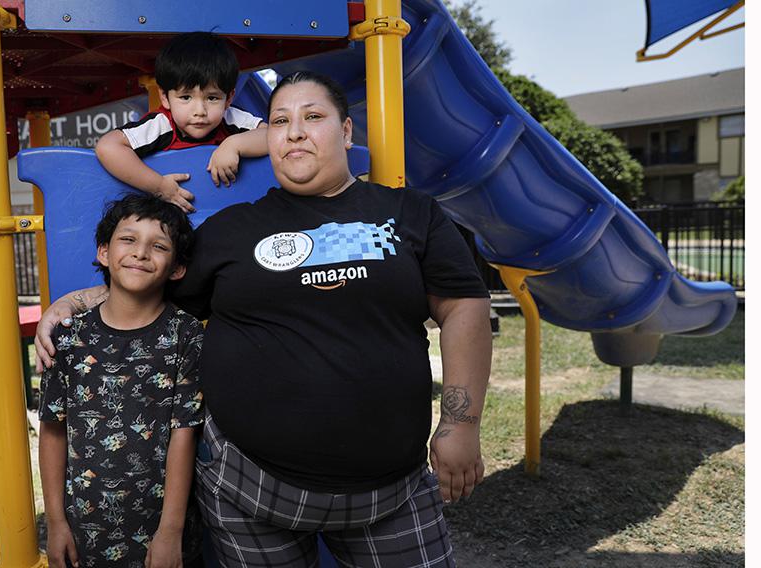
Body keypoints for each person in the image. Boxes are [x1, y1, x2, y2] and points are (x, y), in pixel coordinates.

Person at [36, 71, 493, 567]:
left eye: (312, 117)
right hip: (249, 490)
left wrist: (461, 424)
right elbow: (152, 289)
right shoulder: (232, 231)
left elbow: (463, 306)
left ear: (345, 132)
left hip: (392, 489)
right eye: (280, 121)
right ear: (266, 137)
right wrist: (76, 301)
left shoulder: (411, 213)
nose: (294, 132)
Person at [38, 193, 205, 568]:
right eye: (128, 239)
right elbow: (52, 431)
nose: (141, 253)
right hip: (83, 532)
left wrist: (171, 531)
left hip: (161, 534)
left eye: (158, 245)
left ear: (176, 268)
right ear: (103, 252)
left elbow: (185, 433)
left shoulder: (186, 335)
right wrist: (55, 521)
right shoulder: (67, 337)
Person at [95, 31, 268, 213]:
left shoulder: (231, 119)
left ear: (229, 98)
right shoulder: (162, 124)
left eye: (212, 98)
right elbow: (108, 147)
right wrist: (158, 186)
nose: (200, 111)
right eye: (186, 97)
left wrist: (233, 145)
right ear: (165, 98)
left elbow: (275, 135)